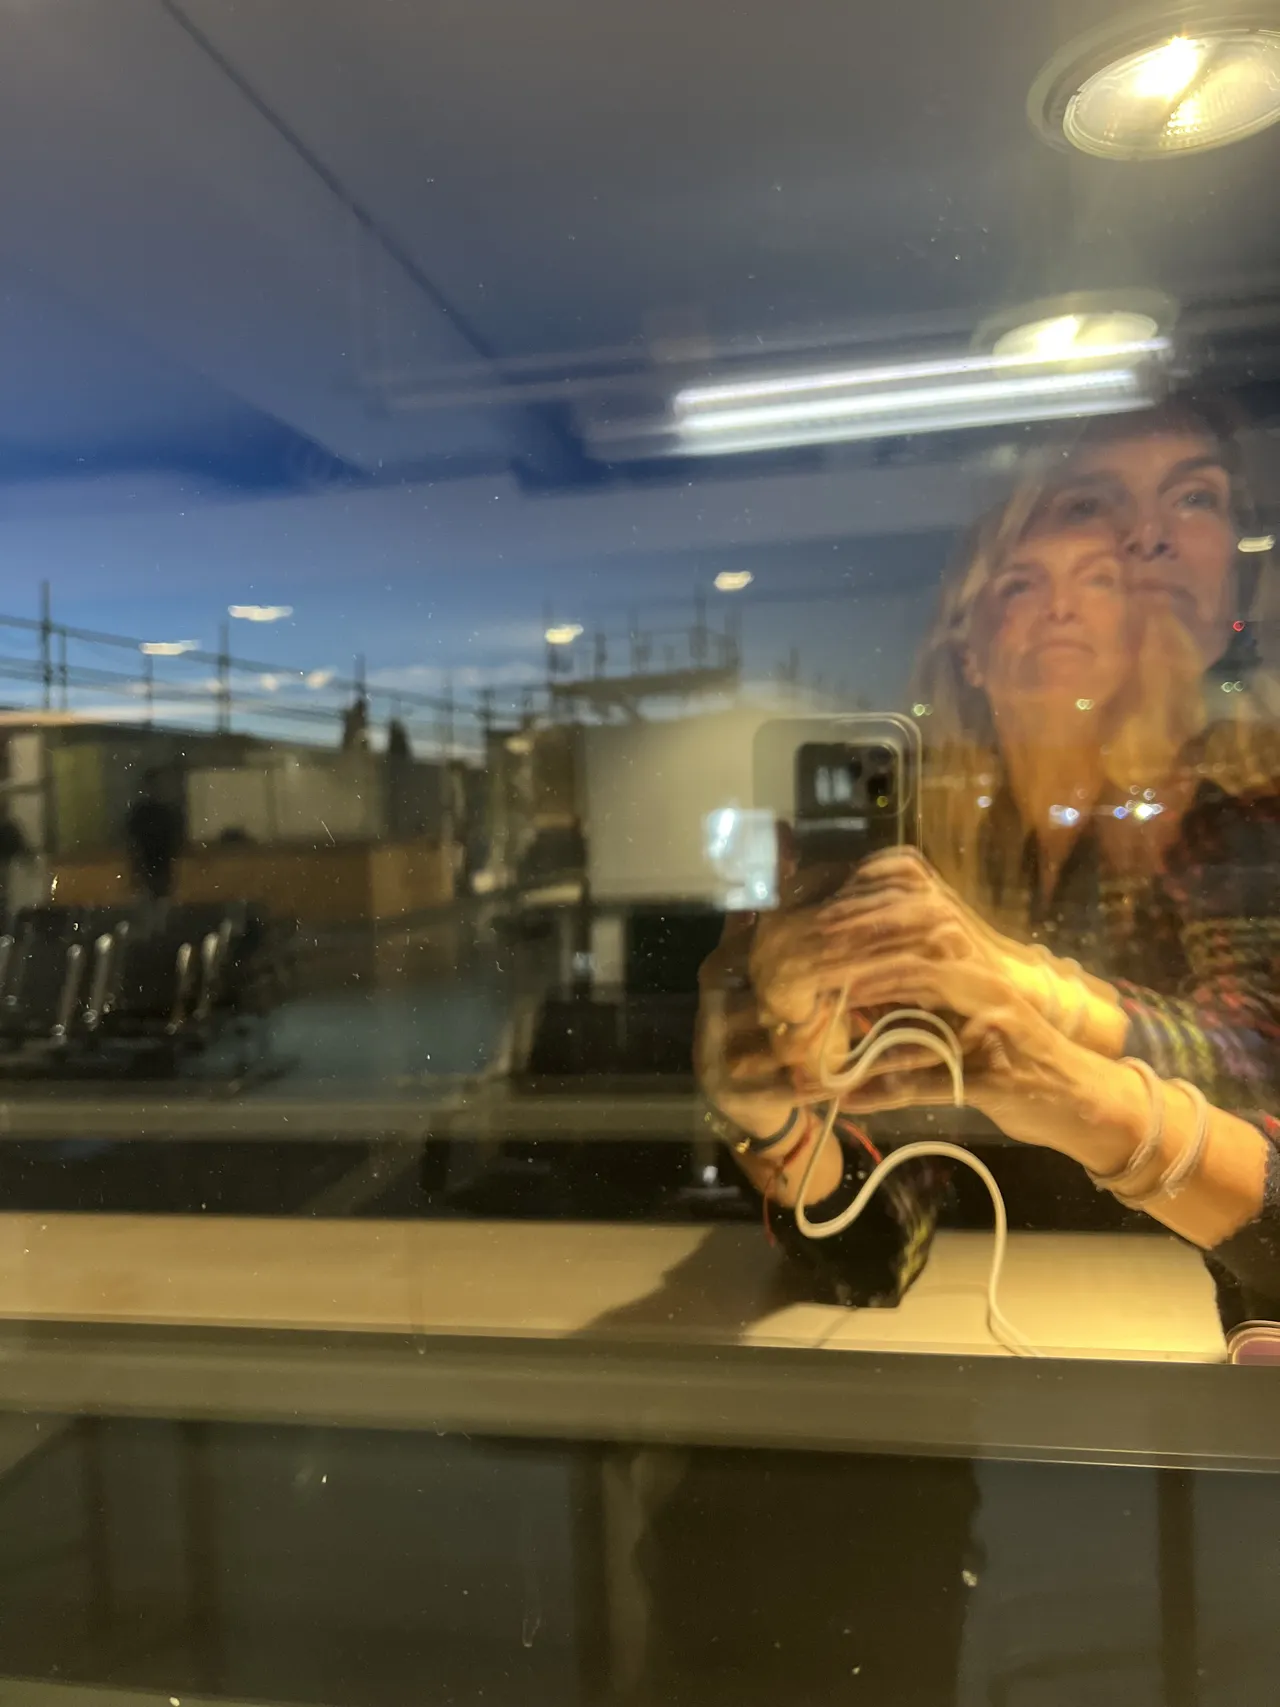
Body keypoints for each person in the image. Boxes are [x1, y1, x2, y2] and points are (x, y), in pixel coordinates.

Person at [124, 769, 184, 903]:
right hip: (152, 863)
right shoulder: (160, 812)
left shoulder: (160, 812)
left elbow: (131, 837)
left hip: (154, 864)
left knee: (153, 896)